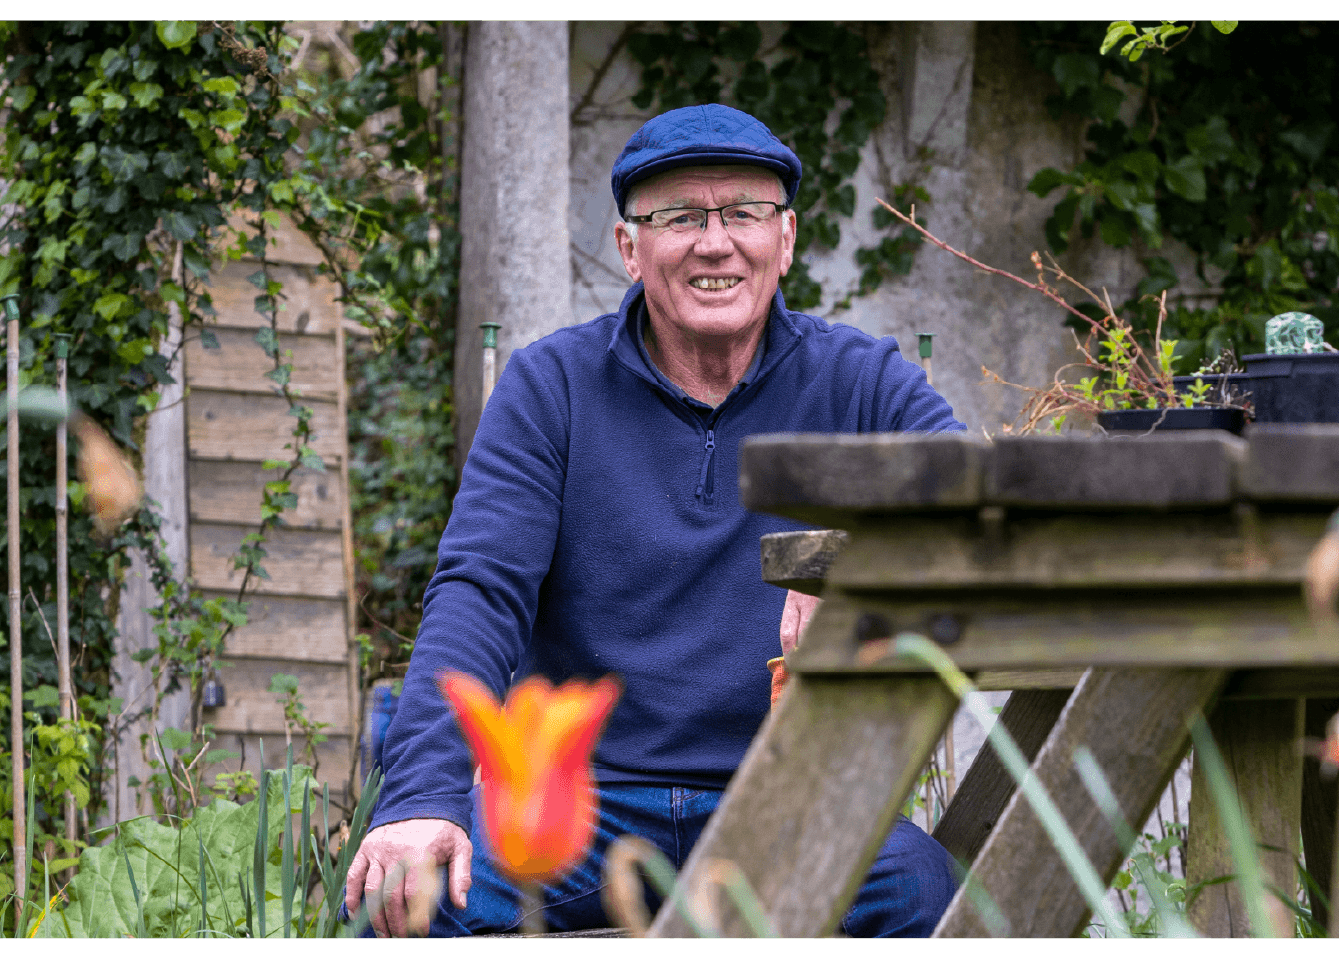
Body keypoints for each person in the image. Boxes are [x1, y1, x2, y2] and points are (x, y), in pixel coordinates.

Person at [343, 103, 964, 937]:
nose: (716, 242)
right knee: (406, 902)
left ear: (785, 239)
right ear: (630, 248)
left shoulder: (859, 382)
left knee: (927, 896)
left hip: (781, 799)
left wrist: (859, 563)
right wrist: (421, 797)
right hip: (577, 810)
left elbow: (971, 499)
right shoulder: (550, 388)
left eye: (745, 212)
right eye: (679, 217)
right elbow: (478, 592)